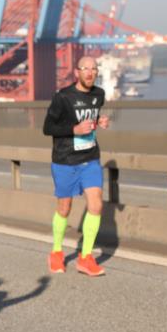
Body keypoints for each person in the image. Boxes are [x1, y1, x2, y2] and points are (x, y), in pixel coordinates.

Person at [43, 56, 111, 277]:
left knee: (96, 205)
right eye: (85, 69)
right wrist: (74, 129)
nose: (90, 73)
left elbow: (91, 115)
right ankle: (56, 252)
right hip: (65, 160)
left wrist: (99, 120)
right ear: (77, 72)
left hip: (90, 158)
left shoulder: (99, 95)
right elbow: (48, 127)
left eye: (94, 69)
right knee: (64, 208)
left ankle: (85, 258)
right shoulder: (62, 97)